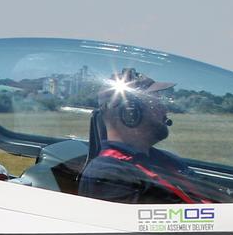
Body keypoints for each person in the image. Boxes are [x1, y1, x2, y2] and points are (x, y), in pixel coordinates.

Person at [78, 69, 216, 203]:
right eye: (156, 104)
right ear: (130, 114)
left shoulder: (166, 159)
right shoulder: (109, 174)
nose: (165, 109)